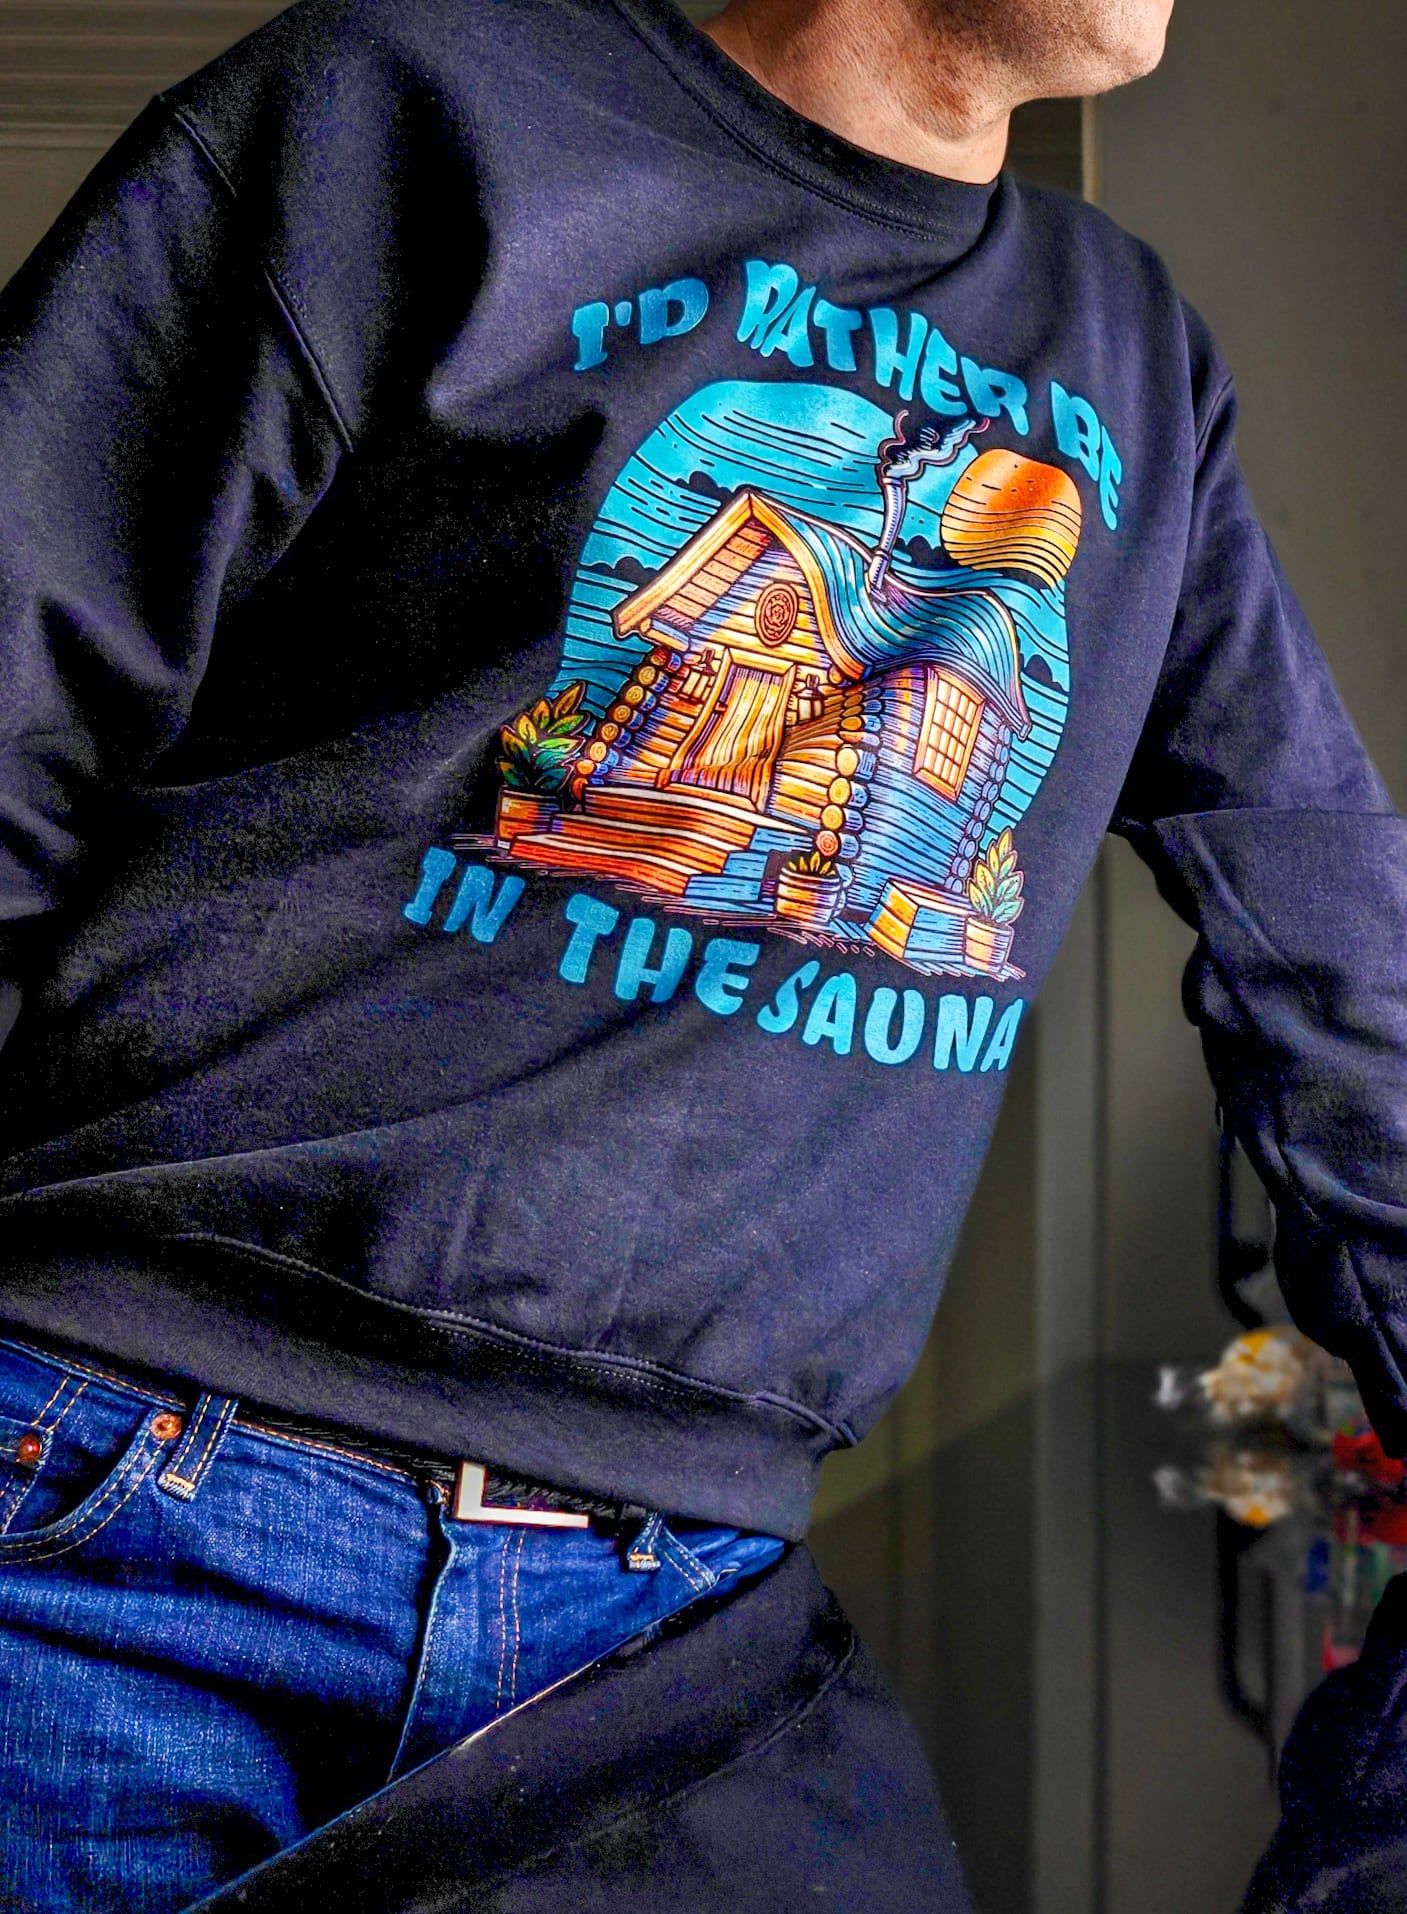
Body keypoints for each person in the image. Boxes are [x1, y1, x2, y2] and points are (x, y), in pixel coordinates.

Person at [0, 0, 1402, 1905]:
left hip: (681, 1622)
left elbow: (1332, 937)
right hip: (115, 1500)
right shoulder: (402, 112)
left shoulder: (1136, 360)